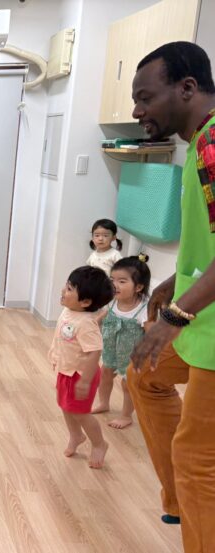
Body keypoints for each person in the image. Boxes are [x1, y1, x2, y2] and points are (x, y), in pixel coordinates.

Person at [125, 41, 215, 550]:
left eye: (145, 97)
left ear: (187, 88)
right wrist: (171, 285)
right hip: (203, 321)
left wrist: (174, 315)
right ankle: (182, 503)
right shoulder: (198, 144)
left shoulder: (213, 144)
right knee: (146, 376)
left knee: (199, 461)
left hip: (208, 334)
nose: (138, 111)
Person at [49, 266, 114, 469]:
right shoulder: (70, 311)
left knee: (81, 413)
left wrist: (85, 381)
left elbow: (95, 351)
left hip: (80, 375)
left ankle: (99, 444)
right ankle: (76, 435)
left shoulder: (86, 324)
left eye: (69, 289)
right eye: (66, 285)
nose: (63, 290)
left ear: (85, 302)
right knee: (65, 406)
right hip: (66, 370)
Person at [92, 255, 151, 429]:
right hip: (110, 349)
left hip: (132, 356)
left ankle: (126, 416)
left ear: (138, 287)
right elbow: (103, 315)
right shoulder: (112, 300)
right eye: (112, 280)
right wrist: (91, 325)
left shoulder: (144, 308)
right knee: (105, 374)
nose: (114, 285)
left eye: (122, 281)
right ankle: (104, 403)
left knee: (127, 384)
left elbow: (151, 334)